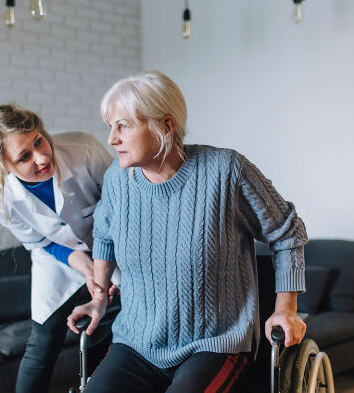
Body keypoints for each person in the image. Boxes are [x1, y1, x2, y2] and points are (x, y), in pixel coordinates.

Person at [67, 71, 308, 393]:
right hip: (137, 343)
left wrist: (286, 310)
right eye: (110, 127)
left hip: (214, 343)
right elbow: (106, 236)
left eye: (123, 126)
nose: (112, 139)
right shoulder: (116, 179)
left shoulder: (226, 171)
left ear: (165, 126)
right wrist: (98, 299)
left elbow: (287, 232)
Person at [0, 104, 116, 393]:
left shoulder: (83, 149)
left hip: (116, 249)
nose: (41, 157)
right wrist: (88, 269)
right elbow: (42, 242)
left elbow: (121, 207)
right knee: (42, 341)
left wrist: (102, 271)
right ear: (2, 165)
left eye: (39, 140)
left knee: (104, 330)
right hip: (57, 259)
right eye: (24, 156)